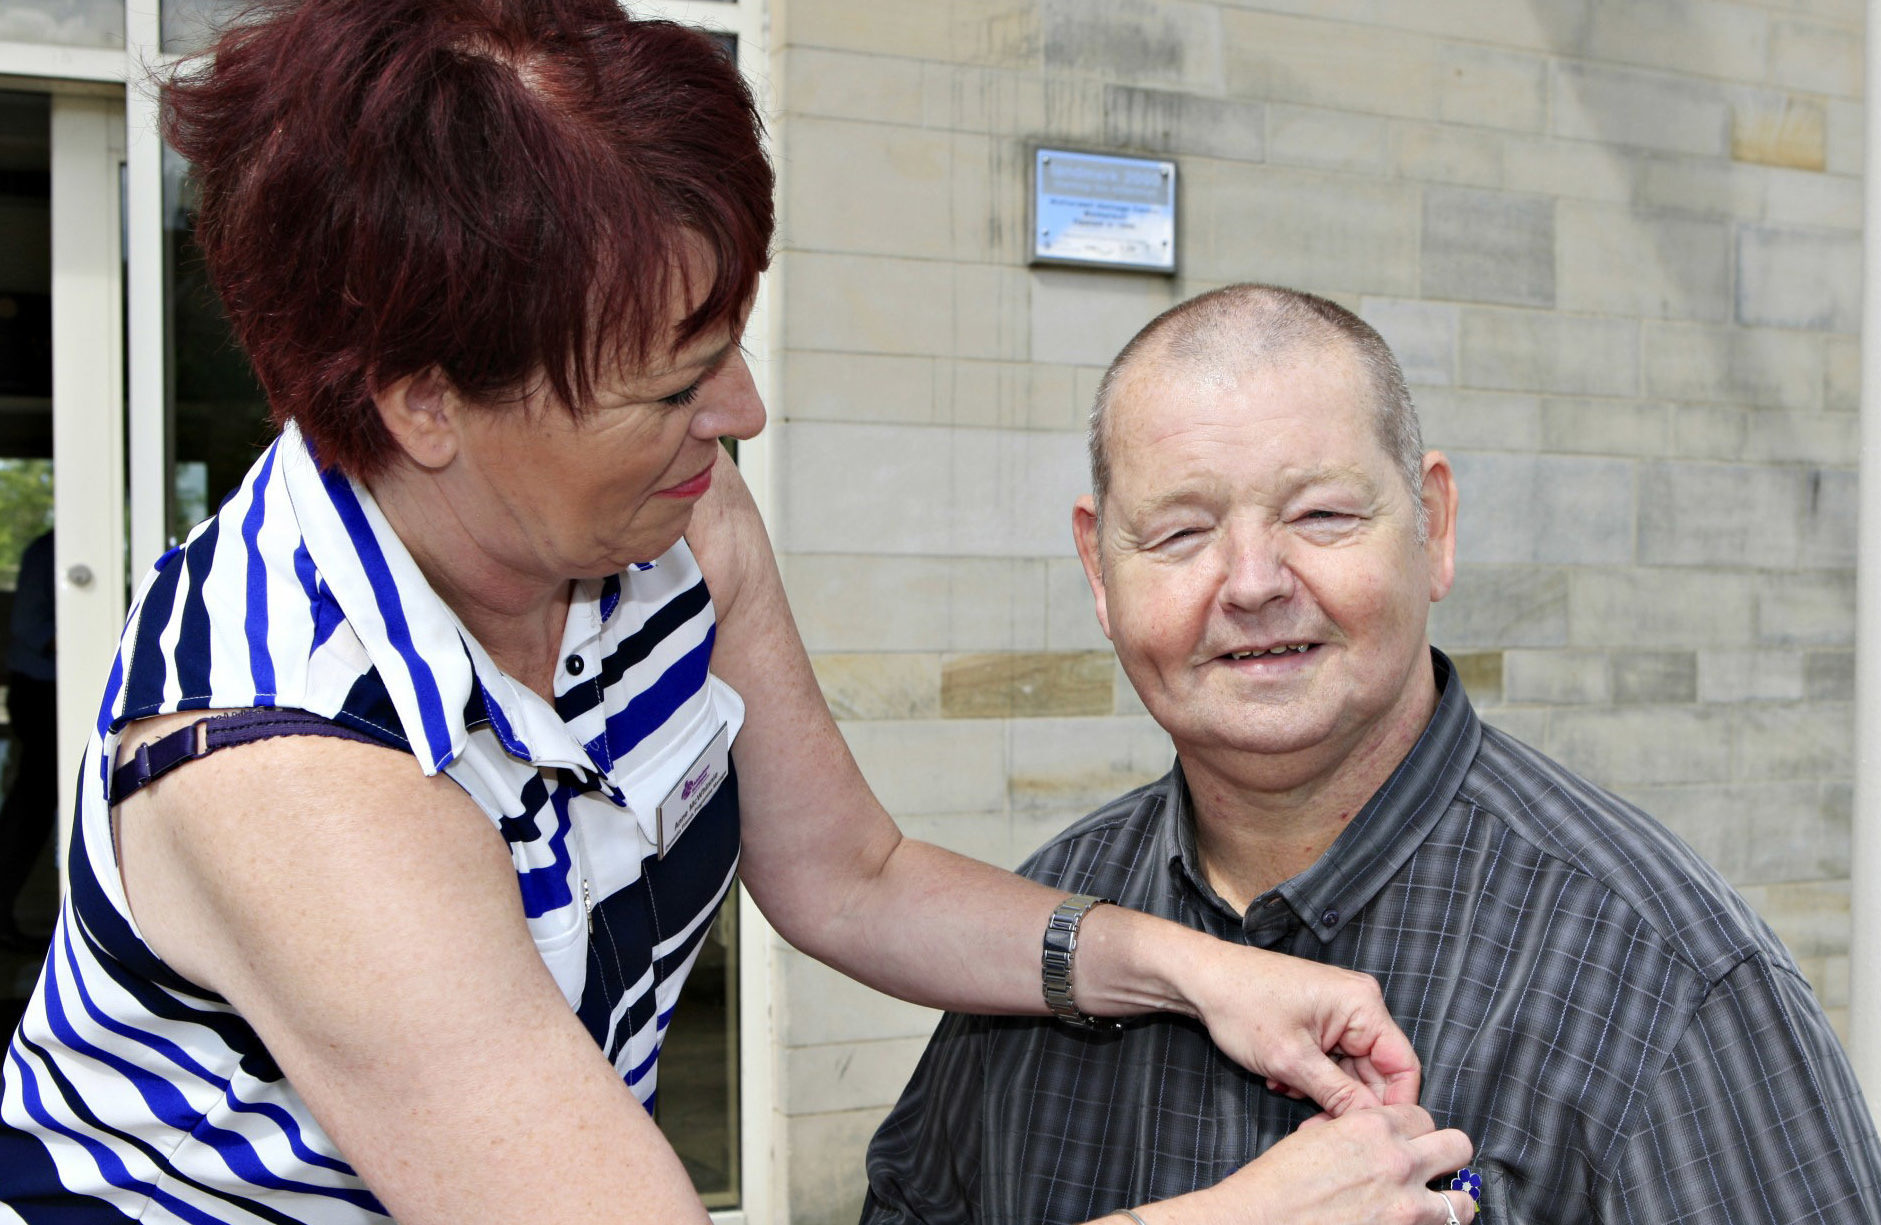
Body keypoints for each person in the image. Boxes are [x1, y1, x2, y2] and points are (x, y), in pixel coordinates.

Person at [0, 9, 1468, 1224]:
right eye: (669, 382)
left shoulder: (665, 511)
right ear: (424, 401)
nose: (741, 413)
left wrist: (1195, 968)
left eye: (726, 344)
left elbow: (855, 877)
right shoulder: (289, 765)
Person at [861, 285, 1881, 1225]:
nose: (1254, 581)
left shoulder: (1660, 977)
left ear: (1435, 524)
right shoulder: (1043, 935)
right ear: (1098, 566)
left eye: (1320, 515)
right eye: (1181, 532)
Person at [0, 528, 54, 952]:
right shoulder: (50, 550)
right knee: (30, 806)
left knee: (33, 805)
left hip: (51, 688)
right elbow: (30, 627)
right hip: (40, 692)